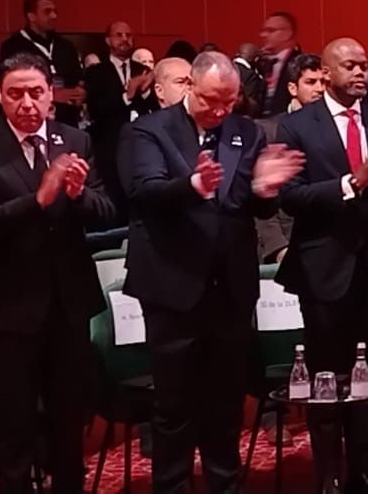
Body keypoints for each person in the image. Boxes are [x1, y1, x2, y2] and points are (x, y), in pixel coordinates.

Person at [117, 51, 304, 493]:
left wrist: (264, 190)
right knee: (174, 404)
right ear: (190, 88)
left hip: (229, 287)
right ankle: (172, 486)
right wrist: (192, 185)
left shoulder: (245, 132)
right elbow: (142, 192)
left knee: (225, 401)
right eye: (211, 101)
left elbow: (249, 206)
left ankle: (225, 485)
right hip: (172, 284)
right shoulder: (149, 130)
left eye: (229, 101)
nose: (220, 111)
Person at [0, 52, 114, 493]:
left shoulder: (75, 140)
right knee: (16, 420)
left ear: (50, 96)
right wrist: (36, 201)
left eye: (36, 92)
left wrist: (79, 195)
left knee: (68, 417)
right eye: (16, 93)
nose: (27, 102)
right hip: (8, 307)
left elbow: (107, 210)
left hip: (68, 303)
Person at [275, 37, 368, 493]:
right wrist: (349, 184)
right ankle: (329, 474)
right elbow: (289, 196)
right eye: (349, 66)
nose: (360, 73)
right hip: (323, 268)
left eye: (363, 65)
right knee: (327, 378)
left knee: (367, 377)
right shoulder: (297, 126)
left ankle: (365, 472)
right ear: (326, 73)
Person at [83, 21, 157, 221]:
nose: (125, 39)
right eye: (119, 35)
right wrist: (128, 95)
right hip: (109, 146)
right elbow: (97, 110)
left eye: (128, 35)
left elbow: (155, 109)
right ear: (108, 40)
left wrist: (145, 91)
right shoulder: (96, 72)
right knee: (115, 199)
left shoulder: (142, 69)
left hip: (141, 145)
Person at [255, 53, 323, 264]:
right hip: (285, 242)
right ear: (293, 88)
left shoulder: (336, 128)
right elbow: (262, 193)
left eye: (323, 82)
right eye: (311, 82)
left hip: (326, 243)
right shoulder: (267, 130)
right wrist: (278, 247)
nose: (319, 89)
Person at [0, 0, 85, 126]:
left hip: (66, 121)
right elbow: (12, 86)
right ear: (31, 16)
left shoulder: (66, 46)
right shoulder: (13, 46)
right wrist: (52, 95)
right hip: (31, 119)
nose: (54, 16)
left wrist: (79, 93)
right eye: (47, 12)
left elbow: (77, 77)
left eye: (55, 11)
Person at [258, 11, 302, 117]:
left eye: (271, 30)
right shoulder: (262, 63)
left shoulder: (299, 63)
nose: (263, 35)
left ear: (288, 34)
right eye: (263, 31)